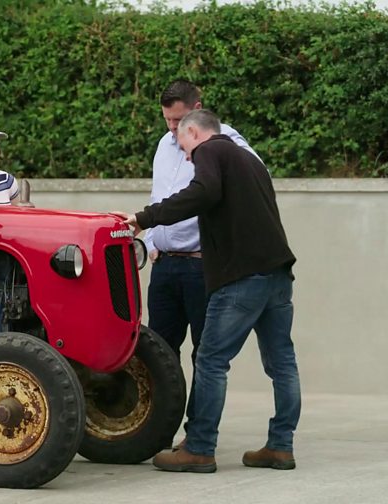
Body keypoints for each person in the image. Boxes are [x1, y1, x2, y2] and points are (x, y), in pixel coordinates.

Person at [113, 109, 300, 473]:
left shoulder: (211, 150)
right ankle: (281, 446)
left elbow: (202, 192)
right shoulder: (250, 160)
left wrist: (143, 218)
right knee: (282, 364)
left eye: (184, 146)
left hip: (243, 277)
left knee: (211, 361)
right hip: (278, 274)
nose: (186, 156)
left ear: (195, 132)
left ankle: (199, 447)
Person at [144, 79, 259, 450]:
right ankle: (155, 429)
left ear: (197, 107)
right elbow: (158, 195)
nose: (173, 128)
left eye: (179, 120)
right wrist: (149, 241)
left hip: (200, 265)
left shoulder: (228, 144)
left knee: (204, 355)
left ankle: (197, 438)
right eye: (167, 120)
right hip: (164, 266)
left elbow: (249, 192)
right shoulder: (164, 145)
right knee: (158, 352)